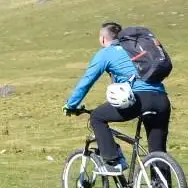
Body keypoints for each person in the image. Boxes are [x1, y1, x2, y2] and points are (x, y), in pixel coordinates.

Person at [64, 21, 170, 173]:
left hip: (139, 99)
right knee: (158, 151)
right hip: (161, 99)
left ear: (102, 39)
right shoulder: (134, 50)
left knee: (97, 117)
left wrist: (71, 105)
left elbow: (86, 81)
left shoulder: (106, 53)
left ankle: (113, 162)